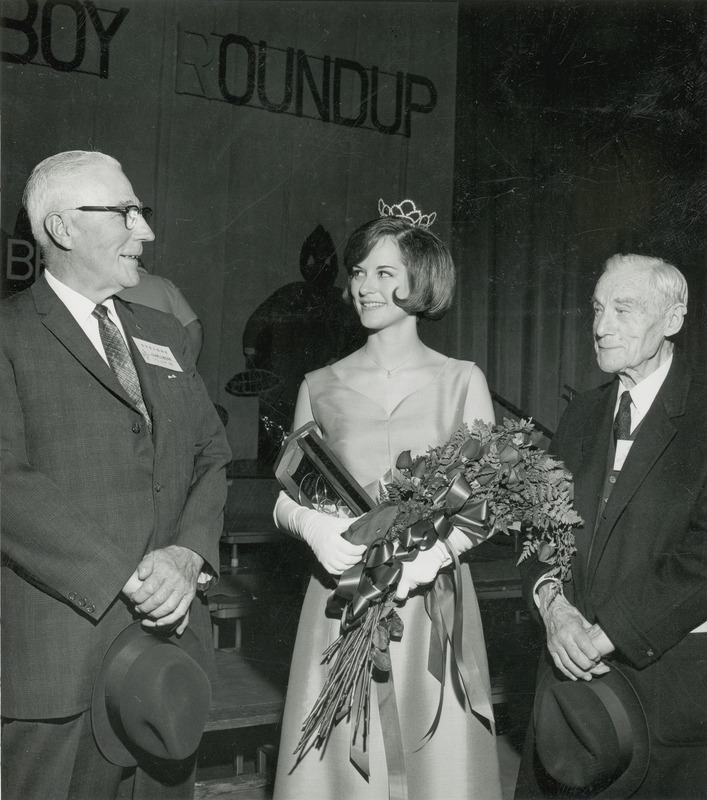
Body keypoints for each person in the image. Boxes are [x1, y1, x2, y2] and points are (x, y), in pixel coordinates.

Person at [1, 151, 232, 800]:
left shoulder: (160, 334)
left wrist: (187, 553)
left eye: (143, 213)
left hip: (166, 658)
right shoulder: (8, 336)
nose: (146, 231)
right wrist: (124, 574)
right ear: (63, 228)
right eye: (125, 212)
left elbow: (211, 458)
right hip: (59, 666)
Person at [271, 200, 503, 800]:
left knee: (435, 762)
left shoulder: (462, 380)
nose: (364, 286)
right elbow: (288, 490)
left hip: (431, 601)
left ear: (420, 280)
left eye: (383, 272)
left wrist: (430, 556)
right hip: (341, 594)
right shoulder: (318, 385)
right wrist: (309, 526)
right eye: (358, 272)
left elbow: (487, 499)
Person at [515, 254, 707, 799]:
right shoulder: (582, 415)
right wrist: (552, 607)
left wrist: (606, 634)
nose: (601, 326)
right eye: (598, 308)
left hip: (664, 697)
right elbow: (538, 528)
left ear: (673, 319)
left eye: (624, 309)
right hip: (570, 702)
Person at [118, 258, 204, 361]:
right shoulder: (165, 284)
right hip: (166, 361)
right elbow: (195, 327)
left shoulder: (112, 288)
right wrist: (190, 369)